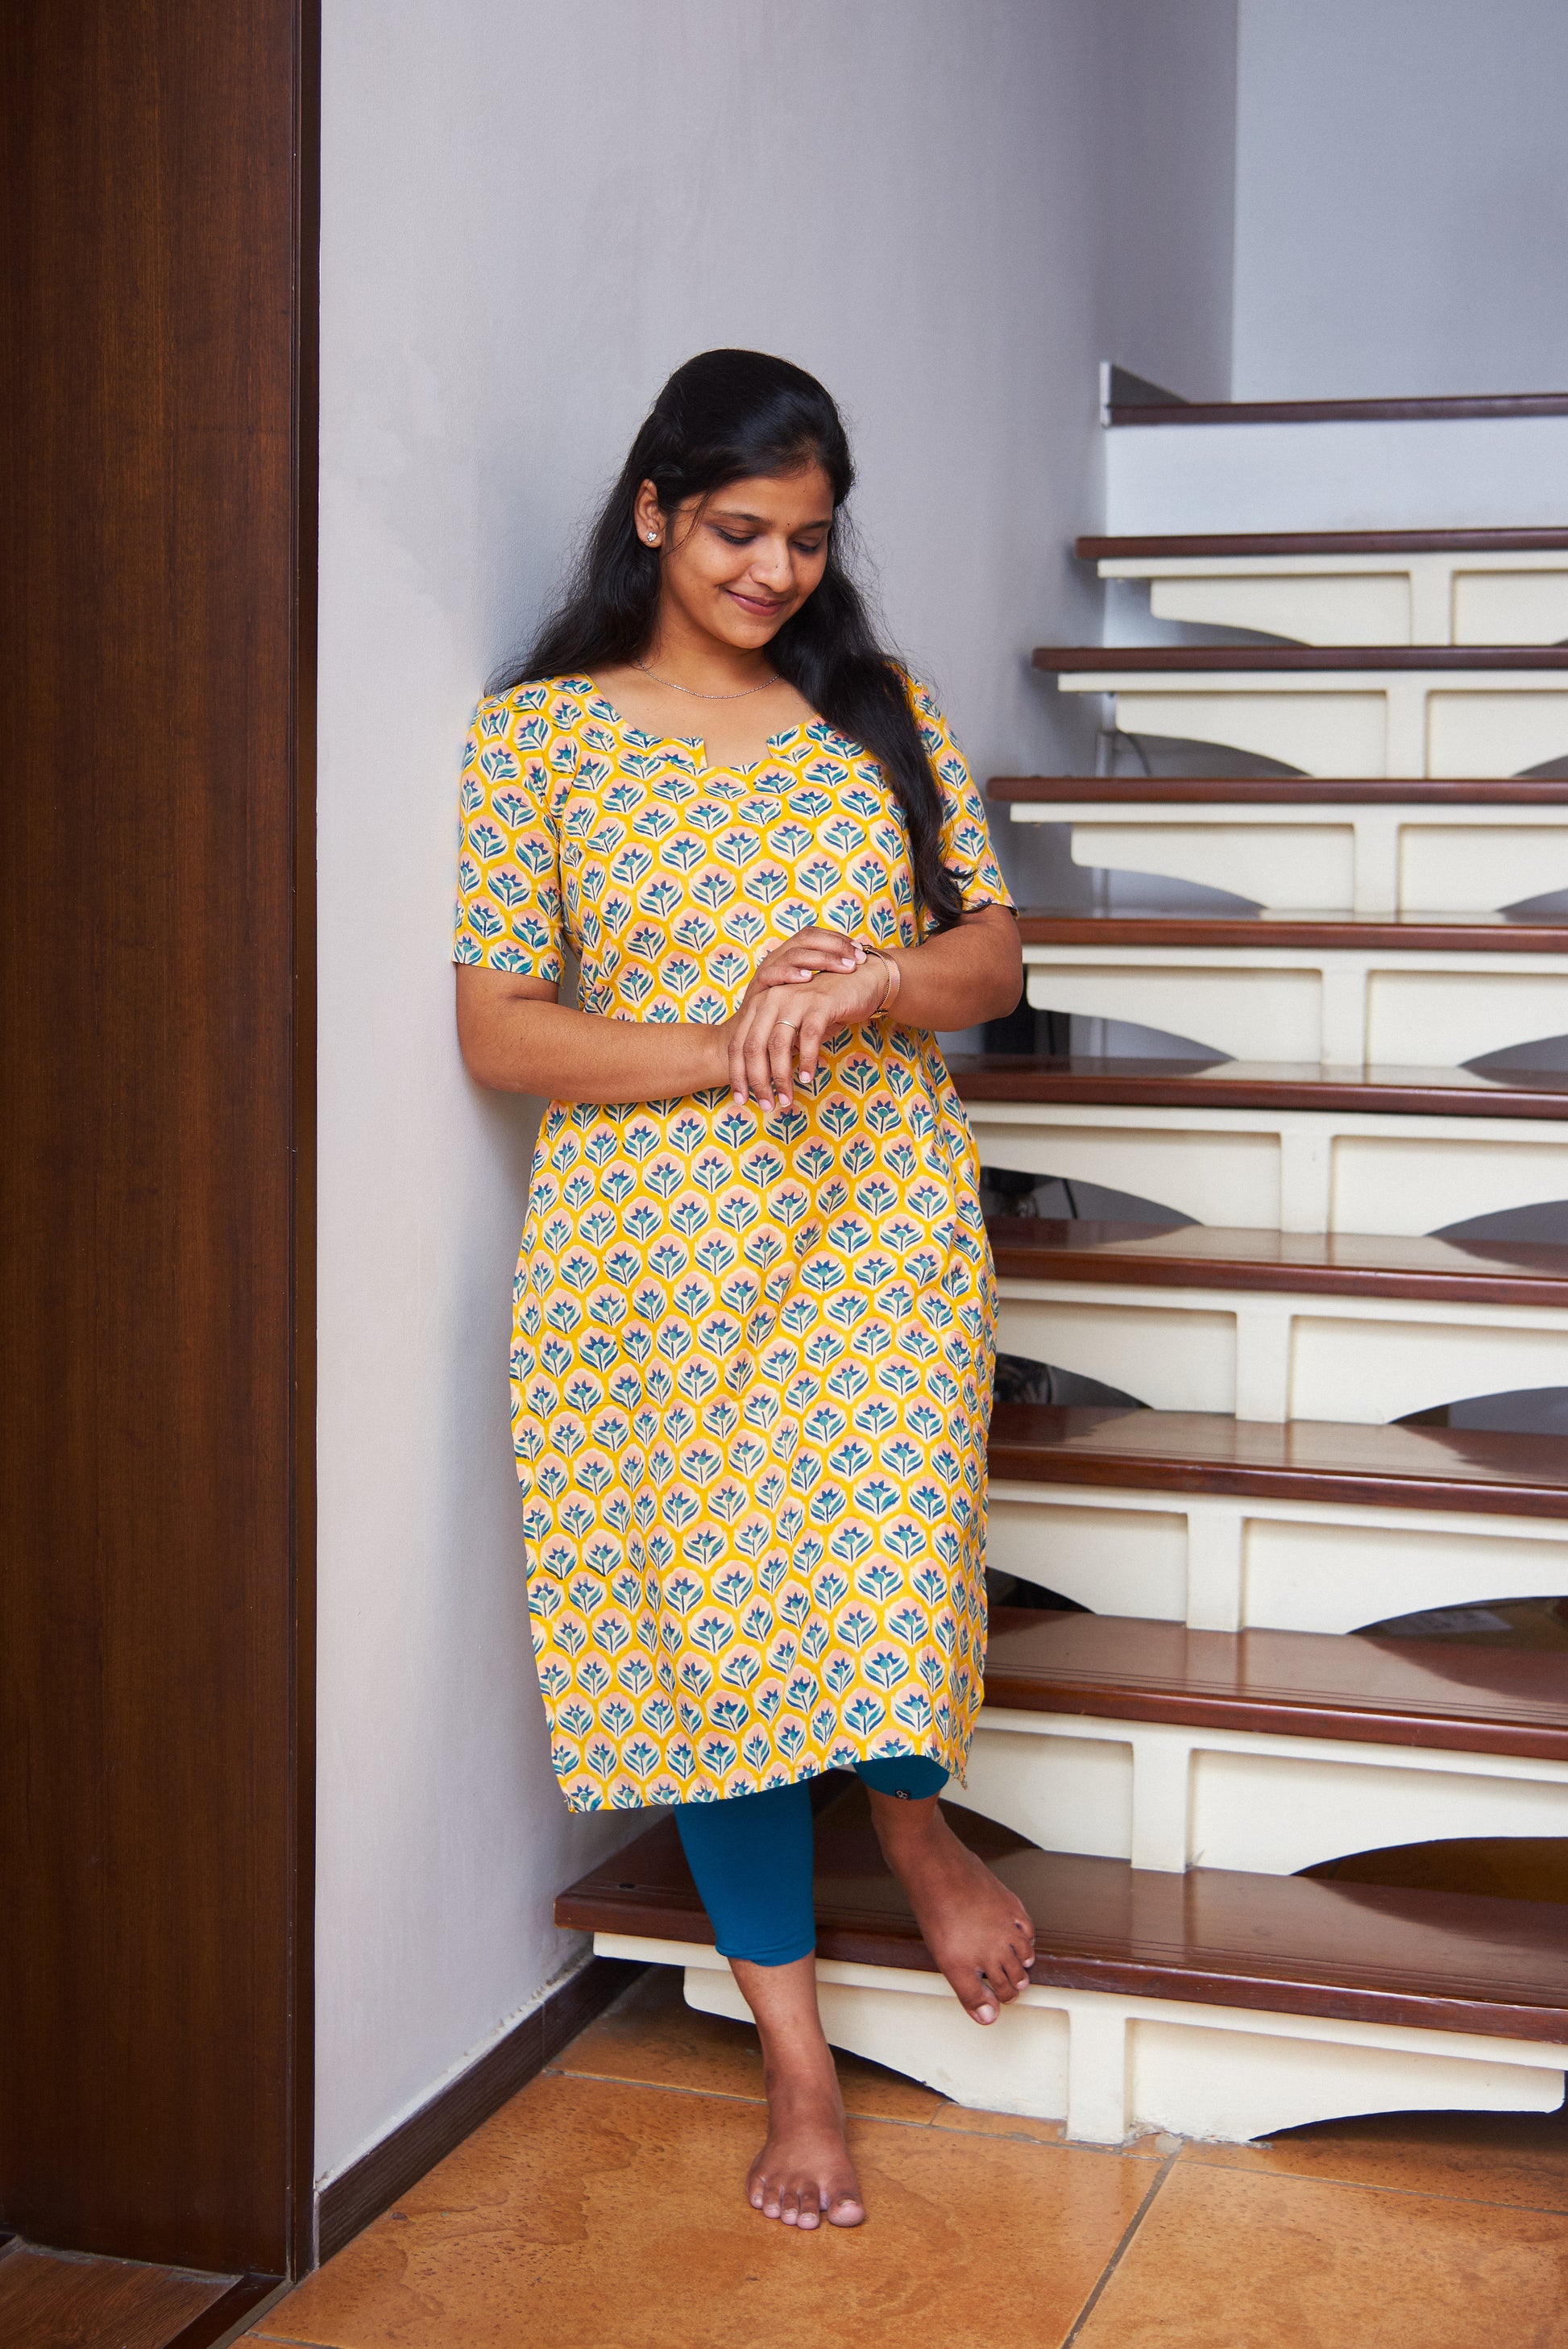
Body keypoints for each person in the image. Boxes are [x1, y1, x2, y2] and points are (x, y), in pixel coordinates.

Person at [454, 349, 1031, 2230]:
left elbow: (993, 958)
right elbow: (500, 1030)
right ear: (651, 514)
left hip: (876, 1215)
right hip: (648, 1251)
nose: (775, 570)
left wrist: (871, 986)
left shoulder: (876, 710)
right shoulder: (538, 739)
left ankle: (913, 1830)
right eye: (735, 531)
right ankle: (797, 2064)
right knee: (709, 1644)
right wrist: (733, 1041)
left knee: (886, 1556)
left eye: (804, 537)